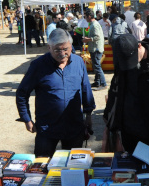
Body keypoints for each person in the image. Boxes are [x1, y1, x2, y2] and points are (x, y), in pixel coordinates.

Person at [15, 29, 95, 157]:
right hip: (47, 128)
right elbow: (22, 93)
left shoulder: (79, 62)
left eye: (66, 49)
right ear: (49, 48)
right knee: (42, 165)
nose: (63, 53)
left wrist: (89, 114)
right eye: (57, 50)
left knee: (74, 167)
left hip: (74, 126)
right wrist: (27, 119)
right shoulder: (38, 65)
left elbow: (86, 89)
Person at [85, 10, 106, 90]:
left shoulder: (94, 25)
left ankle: (103, 84)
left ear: (89, 16)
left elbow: (97, 37)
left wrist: (88, 39)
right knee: (96, 66)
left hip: (96, 48)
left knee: (97, 66)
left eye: (85, 16)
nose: (85, 18)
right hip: (95, 48)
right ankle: (97, 82)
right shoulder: (94, 24)